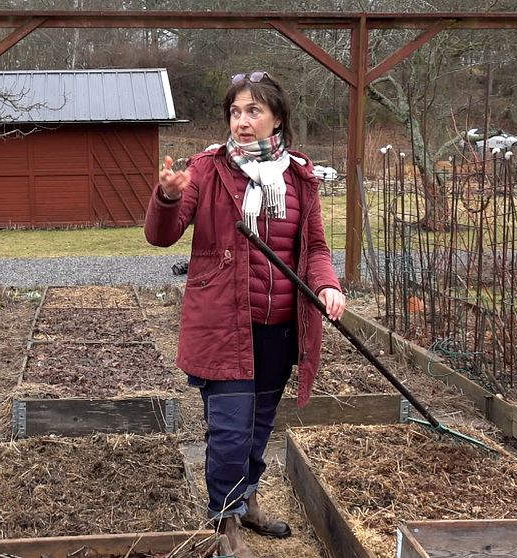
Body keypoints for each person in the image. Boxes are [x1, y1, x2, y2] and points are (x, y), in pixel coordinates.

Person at [144, 71, 345, 557]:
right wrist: (168, 196)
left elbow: (313, 246)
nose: (242, 121)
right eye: (235, 112)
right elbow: (162, 235)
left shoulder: (298, 176)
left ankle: (247, 502)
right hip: (224, 326)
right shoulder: (207, 169)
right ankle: (225, 521)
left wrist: (326, 283)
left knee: (258, 427)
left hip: (278, 330)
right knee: (230, 430)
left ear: (277, 117)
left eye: (253, 111)